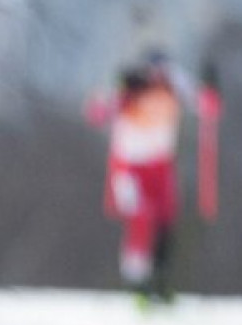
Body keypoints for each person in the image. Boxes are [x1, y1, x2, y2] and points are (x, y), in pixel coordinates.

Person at [85, 48, 218, 305]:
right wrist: (116, 90)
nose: (158, 77)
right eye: (153, 72)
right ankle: (138, 281)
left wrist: (211, 88)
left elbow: (207, 107)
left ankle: (161, 279)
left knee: (165, 220)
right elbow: (97, 113)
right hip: (130, 167)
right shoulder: (131, 89)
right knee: (141, 218)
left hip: (160, 166)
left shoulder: (174, 86)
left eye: (162, 71)